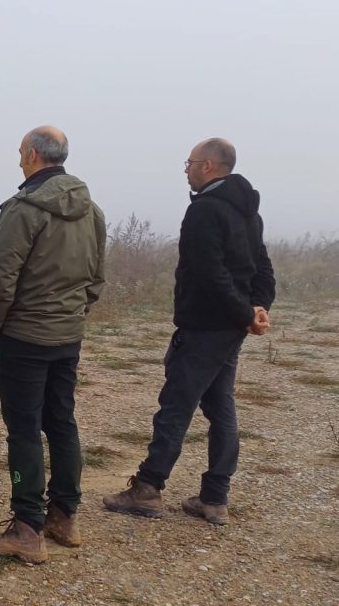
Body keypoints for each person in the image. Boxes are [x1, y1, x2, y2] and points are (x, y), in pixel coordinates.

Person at [104, 138, 275, 526]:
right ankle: (214, 498)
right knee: (221, 407)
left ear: (210, 166)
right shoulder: (247, 211)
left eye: (191, 162)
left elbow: (211, 274)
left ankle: (147, 489)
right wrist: (255, 310)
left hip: (204, 328)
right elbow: (261, 269)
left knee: (176, 406)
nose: (186, 169)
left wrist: (250, 312)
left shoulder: (205, 211)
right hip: (230, 327)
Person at [0, 126, 105, 564]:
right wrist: (73, 315)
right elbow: (96, 278)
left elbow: (0, 278)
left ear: (32, 155)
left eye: (19, 152)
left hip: (22, 337)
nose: (18, 159)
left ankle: (27, 527)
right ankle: (64, 516)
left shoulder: (22, 209)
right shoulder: (93, 211)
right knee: (62, 421)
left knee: (25, 429)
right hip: (66, 336)